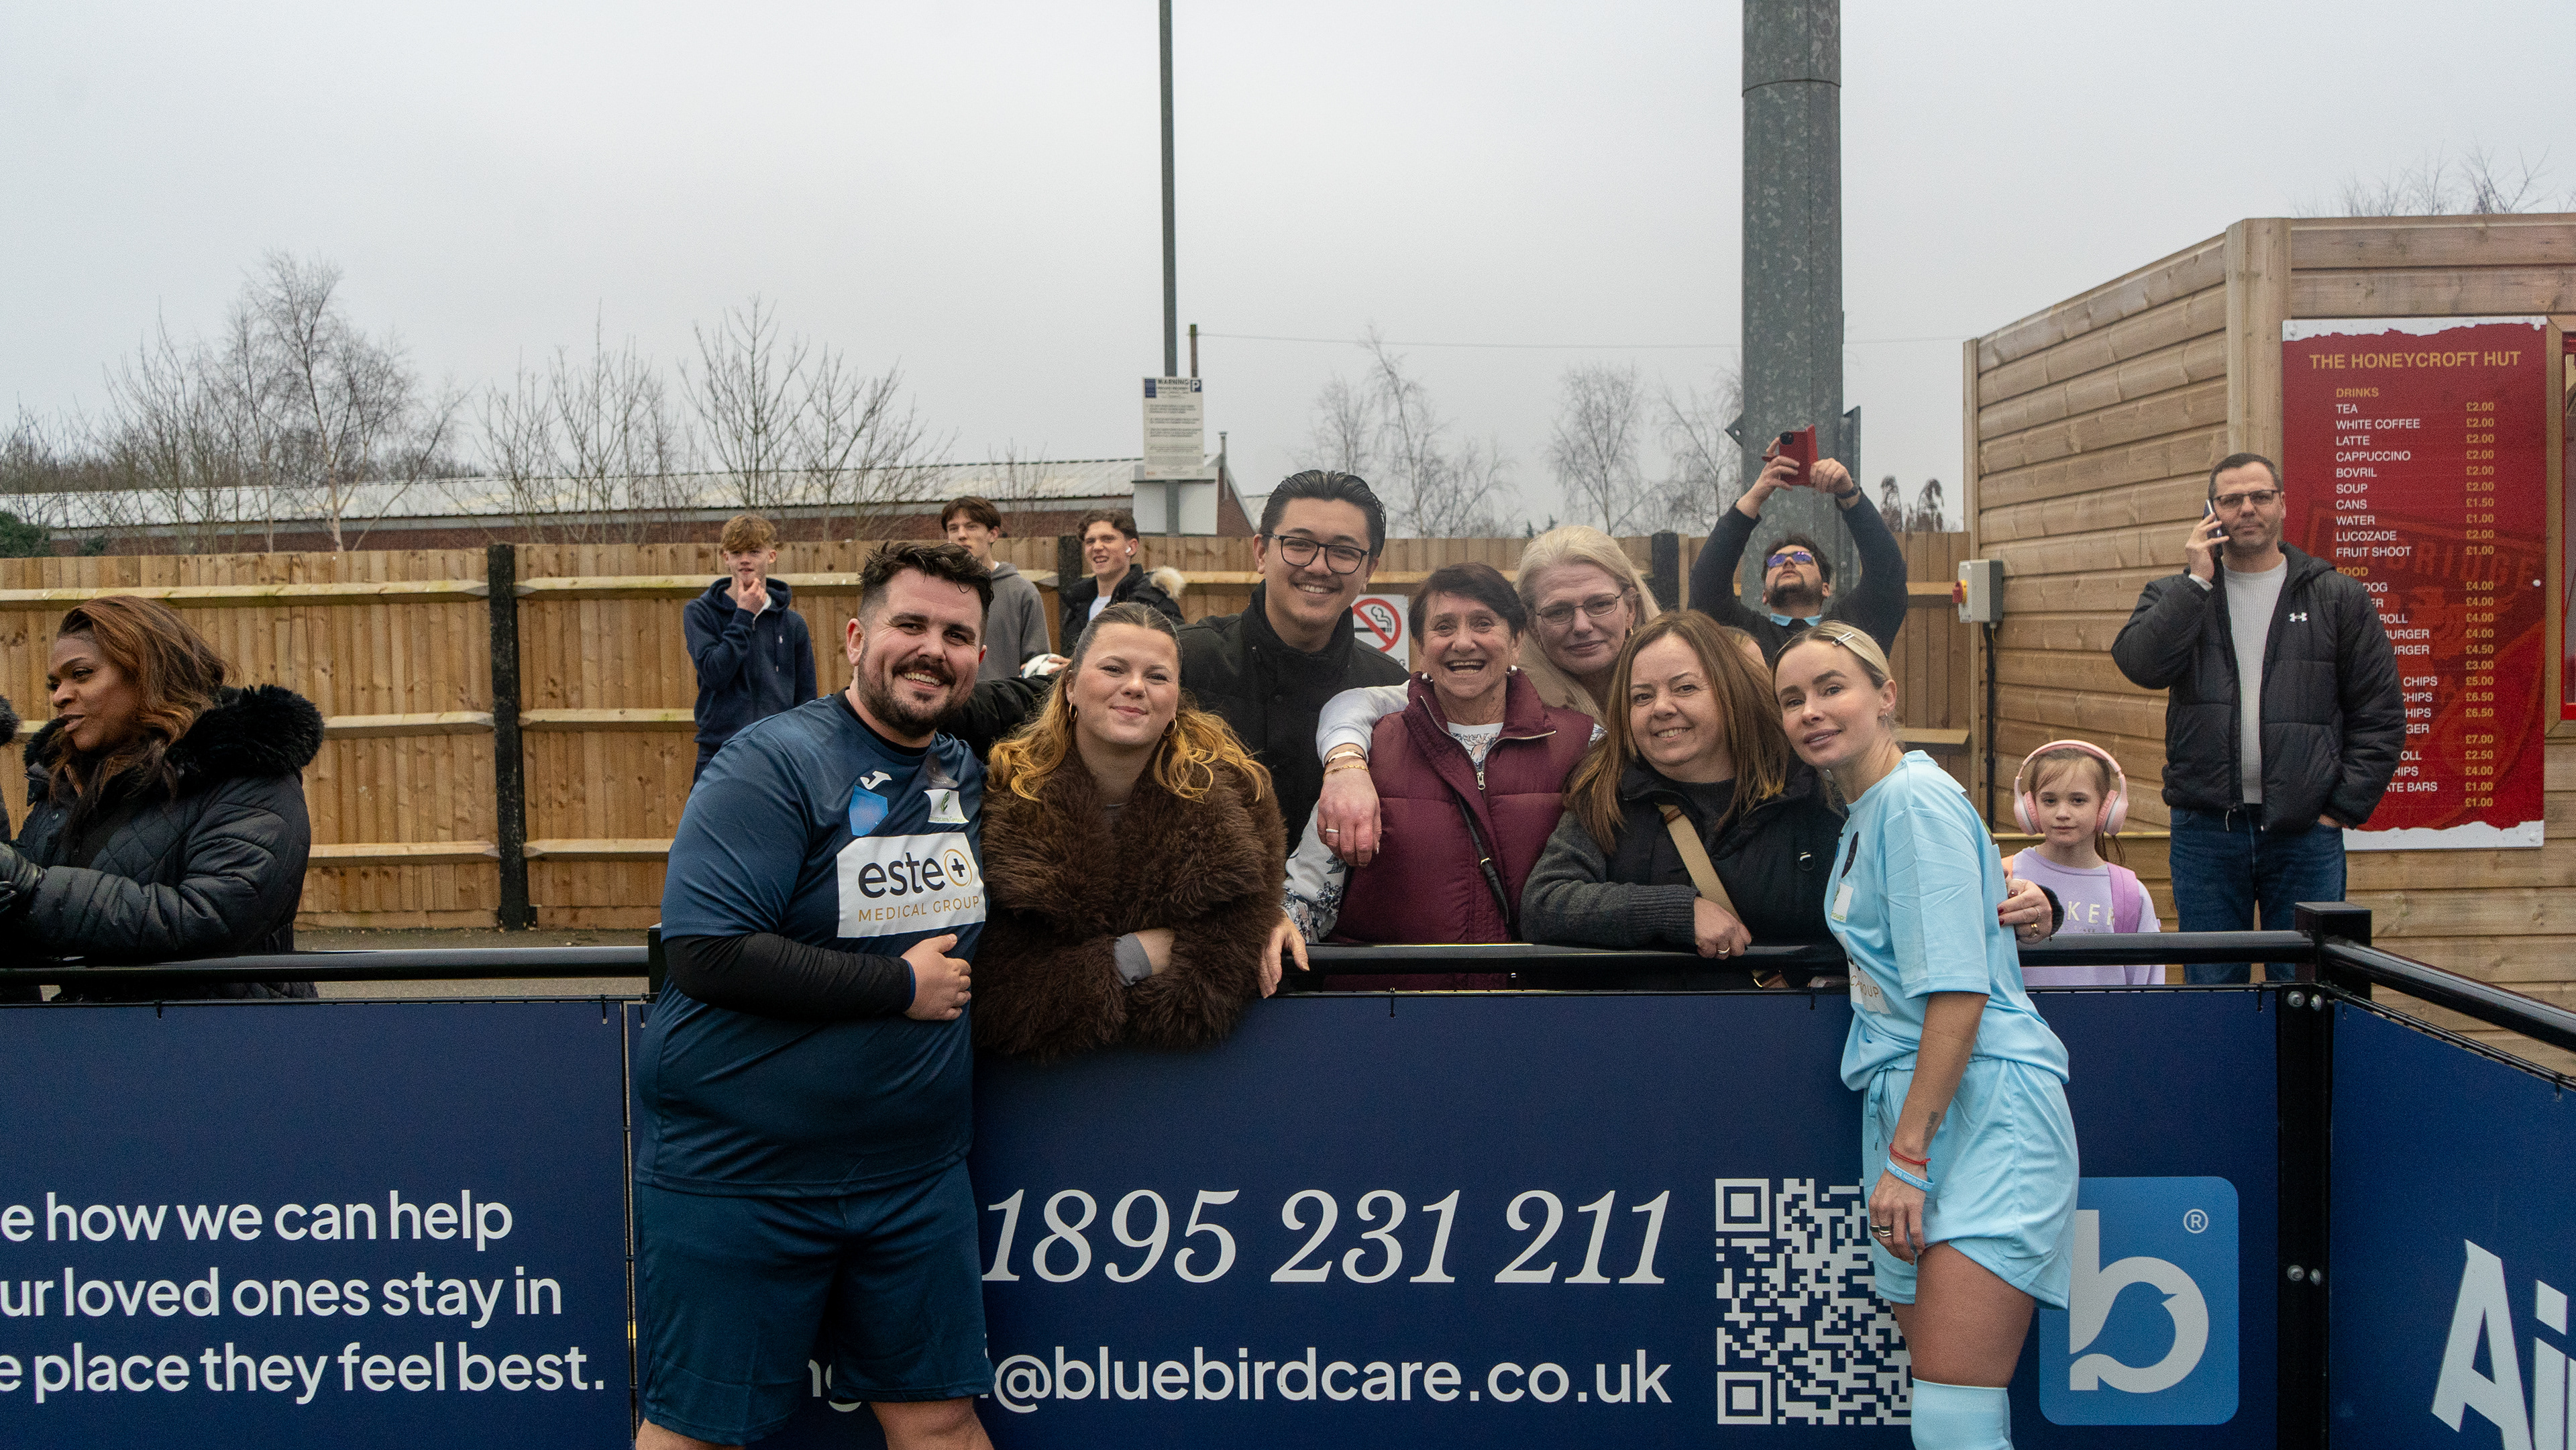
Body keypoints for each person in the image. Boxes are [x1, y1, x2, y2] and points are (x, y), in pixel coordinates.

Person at [637, 540, 996, 1450]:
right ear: (855, 638)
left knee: (942, 1422)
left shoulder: (964, 772)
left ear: (978, 659)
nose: (933, 650)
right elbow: (706, 951)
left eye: (957, 635)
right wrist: (897, 985)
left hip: (913, 1179)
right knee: (695, 1436)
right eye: (910, 625)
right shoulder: (773, 761)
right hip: (742, 1176)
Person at [1774, 621, 2077, 1450]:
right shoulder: (1869, 809)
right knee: (1948, 1409)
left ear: (1886, 696)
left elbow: (1958, 991)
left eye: (1831, 687)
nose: (1811, 710)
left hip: (1981, 1112)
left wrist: (1908, 1156)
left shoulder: (1915, 800)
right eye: (1792, 699)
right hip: (1919, 1111)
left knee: (1956, 1419)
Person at [1521, 613, 2056, 989]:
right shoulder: (1606, 789)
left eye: (1684, 688)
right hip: (1642, 1047)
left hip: (1800, 1047)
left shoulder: (1814, 787)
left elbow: (1922, 884)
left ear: (1728, 692)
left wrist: (2025, 902)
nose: (1661, 707)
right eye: (1642, 696)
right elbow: (1546, 902)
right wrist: (1676, 911)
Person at [2110, 452, 2401, 983]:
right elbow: (2141, 664)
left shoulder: (2337, 596)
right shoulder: (2177, 594)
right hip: (2206, 830)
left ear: (2282, 505)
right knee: (2213, 986)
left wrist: (2338, 810)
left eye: (2260, 496)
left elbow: (2380, 716)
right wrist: (2197, 582)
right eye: (2231, 499)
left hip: (2304, 833)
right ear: (2211, 511)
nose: (2247, 508)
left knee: (2307, 986)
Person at [974, 603, 1301, 1058]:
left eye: (1157, 676)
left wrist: (1088, 972)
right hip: (1046, 1084)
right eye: (1113, 668)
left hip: (1194, 1072)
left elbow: (1226, 961)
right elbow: (998, 991)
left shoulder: (1241, 799)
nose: (1134, 686)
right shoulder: (1002, 798)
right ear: (1070, 686)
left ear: (1175, 700)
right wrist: (1136, 955)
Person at [1283, 564, 1596, 988]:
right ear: (1420, 648)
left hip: (1541, 1015)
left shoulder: (1583, 745)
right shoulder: (1368, 749)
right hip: (1386, 1015)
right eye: (1443, 627)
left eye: (1483, 624)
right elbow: (1308, 897)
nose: (1462, 642)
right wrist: (1279, 926)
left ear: (1517, 641)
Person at [0, 597, 321, 1002]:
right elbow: (24, 909)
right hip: (94, 1030)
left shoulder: (250, 773)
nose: (59, 696)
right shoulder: (70, 779)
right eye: (55, 684)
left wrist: (34, 889)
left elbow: (212, 917)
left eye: (81, 674)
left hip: (231, 1030)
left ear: (148, 672)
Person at [1307, 525, 1657, 868]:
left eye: (1599, 604)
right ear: (1531, 626)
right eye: (1557, 612)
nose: (1581, 625)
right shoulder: (1509, 689)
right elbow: (1363, 704)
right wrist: (1346, 766)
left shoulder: (1674, 675)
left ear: (1630, 607)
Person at [1178, 471, 1408, 840]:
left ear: (1369, 570)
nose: (1318, 566)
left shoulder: (1389, 690)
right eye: (1299, 544)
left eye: (1344, 552)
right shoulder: (1183, 663)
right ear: (1261, 553)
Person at [1689, 441, 1909, 662]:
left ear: (1825, 588)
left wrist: (1847, 492)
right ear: (1764, 594)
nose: (1788, 562)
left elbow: (1887, 573)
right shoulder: (1742, 635)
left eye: (1802, 557)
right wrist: (1754, 496)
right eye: (1776, 561)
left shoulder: (1854, 626)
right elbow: (1707, 586)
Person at [2002, 742, 2164, 987]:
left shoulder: (2130, 893)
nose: (2062, 813)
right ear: (2030, 807)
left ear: (2106, 808)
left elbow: (2148, 986)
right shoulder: (2006, 877)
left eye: (2078, 800)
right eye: (2049, 801)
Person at [685, 512, 816, 781]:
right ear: (726, 557)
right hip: (719, 751)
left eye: (754, 551)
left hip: (778, 756)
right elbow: (715, 674)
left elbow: (806, 699)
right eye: (736, 552)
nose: (745, 559)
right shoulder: (700, 613)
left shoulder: (793, 624)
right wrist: (744, 615)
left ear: (772, 555)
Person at [941, 495, 1061, 682]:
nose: (962, 535)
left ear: (993, 534)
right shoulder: (939, 591)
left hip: (1002, 699)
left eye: (971, 526)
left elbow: (1037, 668)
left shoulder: (1022, 592)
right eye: (953, 528)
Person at [1055, 509, 1183, 643]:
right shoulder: (1077, 604)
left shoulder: (1153, 603)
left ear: (1132, 547)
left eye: (1107, 539)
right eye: (1090, 541)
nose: (1097, 547)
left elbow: (1174, 651)